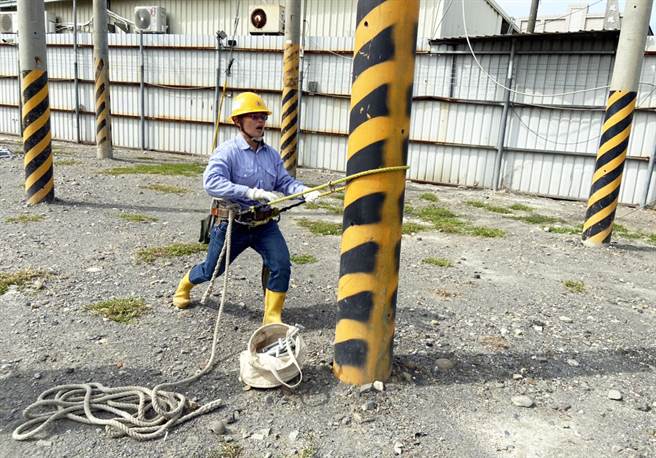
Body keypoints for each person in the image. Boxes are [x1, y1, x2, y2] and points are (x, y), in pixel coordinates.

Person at [172, 92, 320, 324]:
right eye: (253, 117)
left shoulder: (271, 155)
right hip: (233, 224)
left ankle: (272, 318)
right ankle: (185, 285)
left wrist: (304, 191)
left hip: (264, 225)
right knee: (212, 270)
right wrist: (249, 192)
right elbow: (211, 182)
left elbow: (284, 182)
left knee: (280, 264)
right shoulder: (227, 152)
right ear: (237, 122)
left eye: (262, 116)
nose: (260, 122)